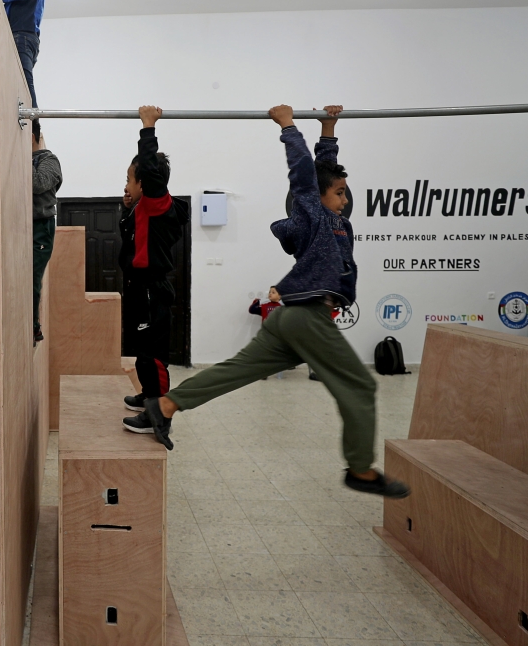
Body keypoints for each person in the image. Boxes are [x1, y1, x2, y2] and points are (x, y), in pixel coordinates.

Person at [124, 105, 410, 499]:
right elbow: (306, 175)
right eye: (340, 194)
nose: (345, 200)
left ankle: (166, 406)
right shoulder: (314, 212)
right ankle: (361, 470)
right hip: (308, 317)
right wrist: (289, 127)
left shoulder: (335, 221)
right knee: (360, 387)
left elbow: (326, 170)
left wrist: (328, 128)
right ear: (316, 198)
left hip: (287, 320)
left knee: (234, 372)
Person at [120, 106, 188, 415]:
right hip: (139, 287)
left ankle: (158, 411)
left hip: (152, 289)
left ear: (145, 183)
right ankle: (148, 395)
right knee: (141, 350)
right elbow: (134, 243)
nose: (127, 185)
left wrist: (148, 127)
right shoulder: (143, 208)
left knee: (153, 354)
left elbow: (148, 168)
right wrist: (127, 209)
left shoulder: (159, 204)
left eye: (130, 180)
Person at [32, 119, 62, 345]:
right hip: (23, 225)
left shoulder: (49, 160)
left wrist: (24, 154)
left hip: (41, 226)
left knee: (32, 277)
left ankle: (33, 326)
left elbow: (38, 183)